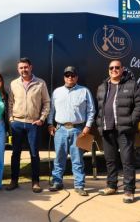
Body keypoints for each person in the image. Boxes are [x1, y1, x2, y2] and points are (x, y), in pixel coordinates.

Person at [96, 60, 140, 203]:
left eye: (117, 67)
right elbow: (99, 108)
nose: (114, 70)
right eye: (111, 68)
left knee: (127, 161)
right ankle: (112, 186)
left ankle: (129, 190)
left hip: (124, 130)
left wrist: (131, 121)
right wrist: (99, 123)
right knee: (110, 160)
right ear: (108, 70)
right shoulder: (102, 87)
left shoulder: (131, 85)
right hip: (107, 129)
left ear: (122, 69)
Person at [47, 66, 95, 196]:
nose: (70, 78)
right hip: (60, 129)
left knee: (77, 159)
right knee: (59, 158)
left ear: (76, 77)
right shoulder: (57, 92)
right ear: (64, 77)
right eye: (67, 75)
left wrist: (88, 126)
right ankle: (57, 182)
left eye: (72, 75)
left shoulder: (84, 91)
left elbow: (91, 110)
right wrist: (50, 124)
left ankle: (79, 185)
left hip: (78, 129)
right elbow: (51, 110)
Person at [6, 57, 50, 193]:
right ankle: (14, 181)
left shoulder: (40, 83)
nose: (23, 70)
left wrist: (42, 119)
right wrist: (11, 119)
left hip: (33, 124)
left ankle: (35, 182)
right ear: (18, 69)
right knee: (15, 154)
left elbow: (47, 103)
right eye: (21, 68)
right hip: (17, 124)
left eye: (26, 67)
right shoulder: (13, 84)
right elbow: (10, 103)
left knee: (34, 154)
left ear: (31, 67)